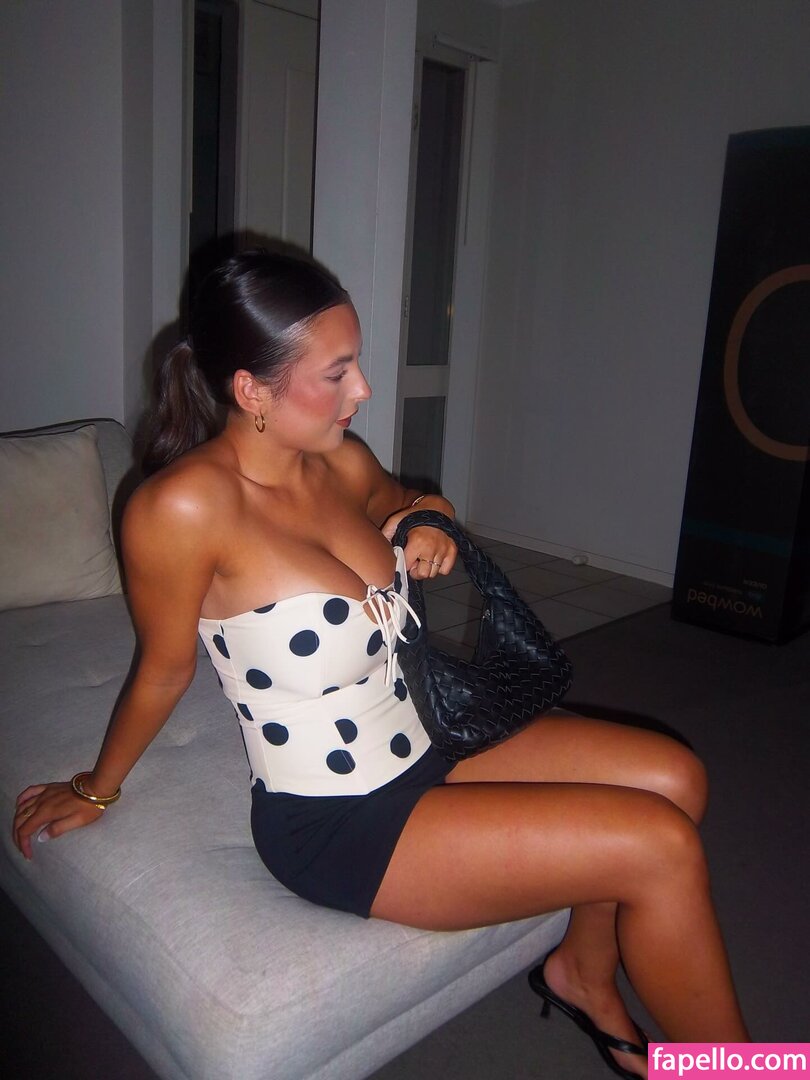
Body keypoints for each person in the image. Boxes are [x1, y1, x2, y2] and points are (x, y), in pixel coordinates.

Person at [13, 250, 748, 1079]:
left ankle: (582, 969)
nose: (362, 389)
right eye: (337, 372)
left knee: (677, 779)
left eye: (355, 363)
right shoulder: (180, 509)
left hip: (434, 733)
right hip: (340, 819)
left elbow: (413, 504)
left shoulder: (340, 463)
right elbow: (162, 672)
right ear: (252, 390)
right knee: (658, 846)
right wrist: (96, 788)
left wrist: (427, 520)